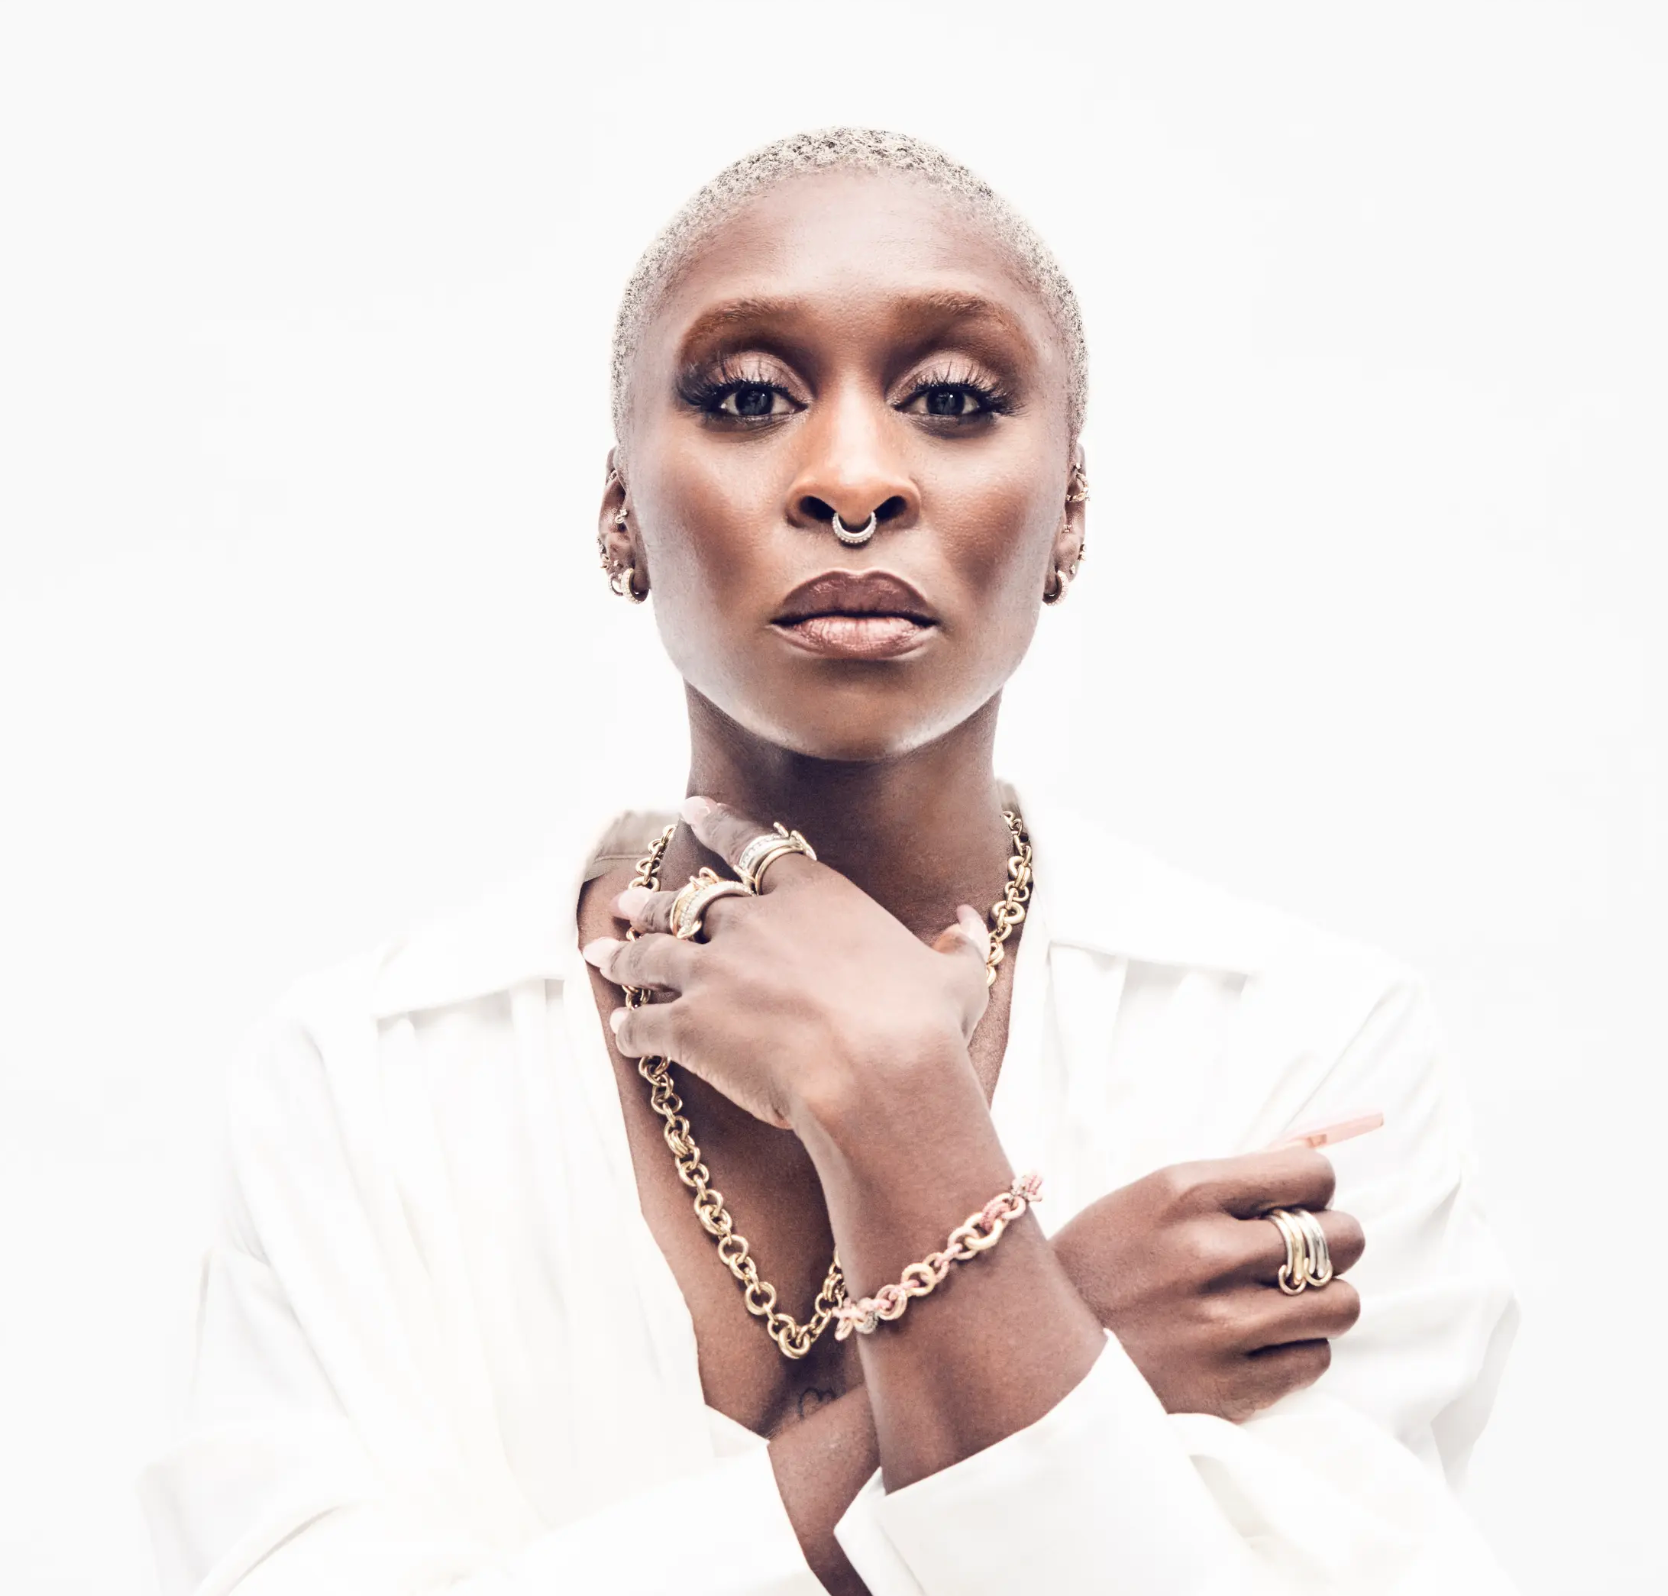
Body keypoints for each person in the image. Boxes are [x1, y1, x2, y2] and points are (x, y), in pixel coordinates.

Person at [140, 129, 1519, 1595]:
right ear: (620, 511)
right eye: (748, 398)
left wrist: (895, 1104)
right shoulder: (366, 1076)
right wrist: (1055, 1329)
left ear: (1069, 511)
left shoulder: (1304, 1045)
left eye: (953, 401)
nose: (853, 480)